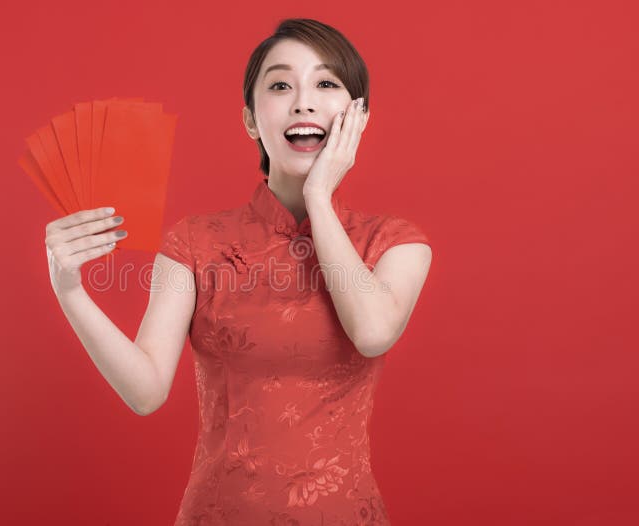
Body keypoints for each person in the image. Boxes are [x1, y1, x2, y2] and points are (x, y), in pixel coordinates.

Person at [44, 17, 432, 526]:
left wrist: (318, 197)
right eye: (280, 85)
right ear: (251, 119)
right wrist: (69, 289)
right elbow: (145, 391)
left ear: (358, 116)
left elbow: (373, 332)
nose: (303, 101)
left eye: (326, 83)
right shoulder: (194, 242)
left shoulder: (395, 243)